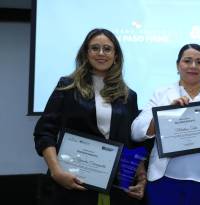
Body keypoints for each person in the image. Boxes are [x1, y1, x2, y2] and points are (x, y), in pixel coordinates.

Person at [33, 28, 146, 205]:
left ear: (116, 55)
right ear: (86, 53)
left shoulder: (129, 96)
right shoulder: (67, 86)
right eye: (95, 48)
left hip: (114, 188)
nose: (101, 53)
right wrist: (56, 171)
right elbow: (44, 132)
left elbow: (131, 143)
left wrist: (141, 178)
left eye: (107, 49)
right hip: (71, 184)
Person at [131, 43, 200, 205]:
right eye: (187, 61)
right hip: (165, 182)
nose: (193, 66)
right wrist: (165, 113)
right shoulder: (162, 94)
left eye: (199, 62)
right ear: (178, 65)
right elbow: (136, 131)